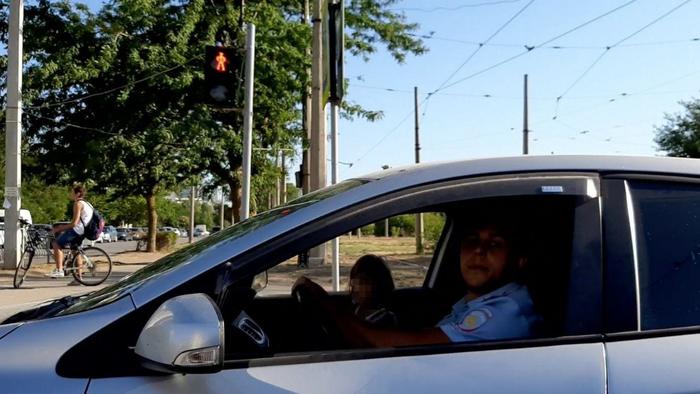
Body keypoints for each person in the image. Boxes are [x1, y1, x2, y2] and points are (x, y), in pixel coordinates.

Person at [292, 217, 541, 348]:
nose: (478, 251)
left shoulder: (505, 312)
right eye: (471, 240)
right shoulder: (476, 301)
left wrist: (326, 304)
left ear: (520, 261)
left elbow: (383, 345)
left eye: (495, 244)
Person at [48, 184, 94, 278]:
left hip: (78, 230)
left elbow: (74, 223)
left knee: (56, 243)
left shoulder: (78, 204)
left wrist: (59, 228)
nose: (70, 194)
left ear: (78, 194)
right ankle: (79, 277)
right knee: (75, 252)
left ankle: (59, 270)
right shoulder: (87, 203)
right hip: (83, 231)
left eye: (72, 192)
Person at [349, 254, 398, 327]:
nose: (355, 286)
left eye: (363, 282)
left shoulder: (384, 319)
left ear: (379, 285)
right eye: (354, 280)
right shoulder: (358, 310)